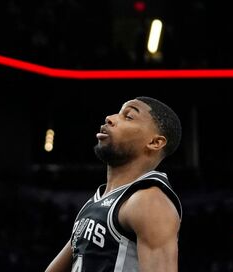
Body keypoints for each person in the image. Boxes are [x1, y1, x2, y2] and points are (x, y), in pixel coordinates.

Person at [45, 96, 183, 272]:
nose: (110, 118)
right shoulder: (96, 201)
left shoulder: (149, 201)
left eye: (129, 116)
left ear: (154, 142)